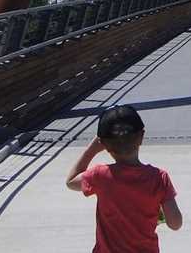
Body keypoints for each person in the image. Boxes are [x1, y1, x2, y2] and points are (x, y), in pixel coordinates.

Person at [66, 105, 182, 252]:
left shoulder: (100, 175)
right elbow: (175, 223)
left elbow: (71, 181)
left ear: (104, 145)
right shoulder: (159, 178)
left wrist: (92, 149)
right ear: (141, 137)